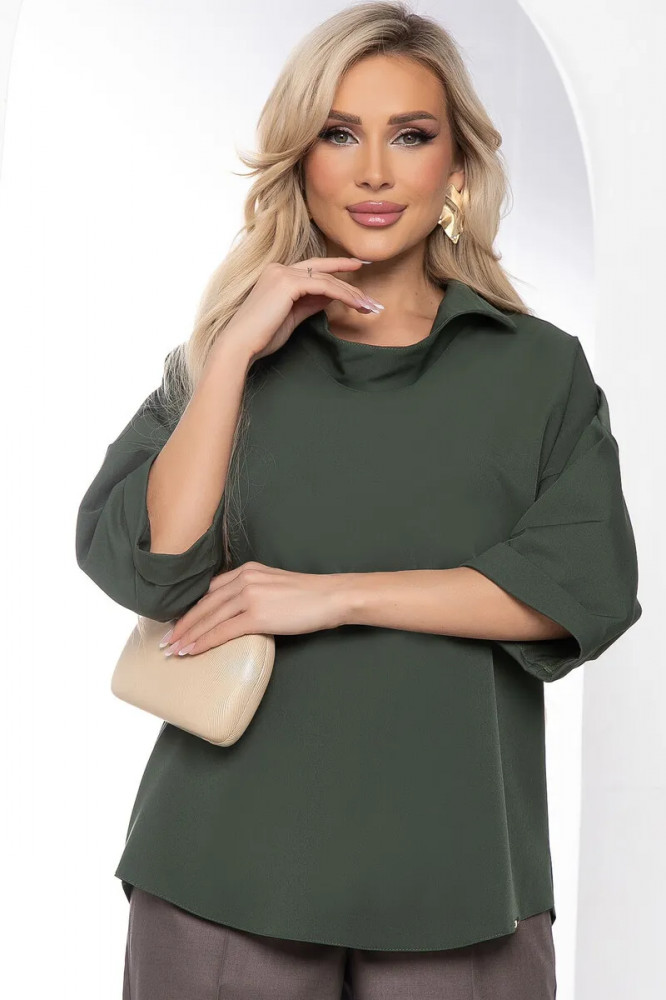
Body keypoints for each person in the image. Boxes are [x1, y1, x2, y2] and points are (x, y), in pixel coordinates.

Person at [75, 3, 642, 998]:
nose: (374, 171)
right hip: (221, 870)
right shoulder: (222, 361)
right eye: (339, 134)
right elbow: (155, 566)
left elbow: (581, 588)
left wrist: (333, 596)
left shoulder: (537, 371)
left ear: (457, 167)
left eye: (410, 135)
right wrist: (233, 353)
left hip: (463, 876)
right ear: (300, 160)